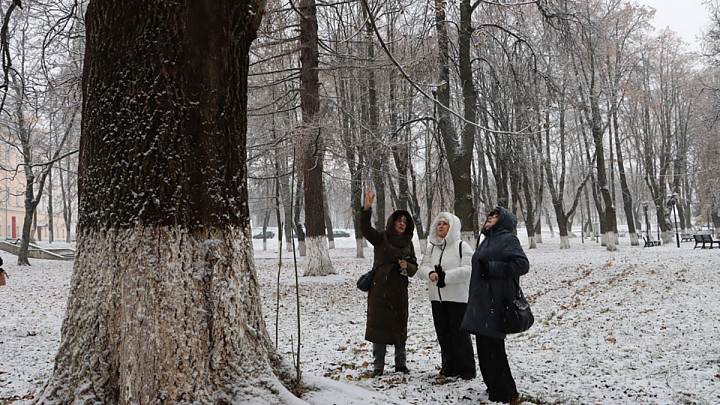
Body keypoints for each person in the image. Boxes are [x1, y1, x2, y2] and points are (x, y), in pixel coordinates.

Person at [461, 207, 529, 404]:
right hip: (481, 301)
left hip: (496, 303)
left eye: (495, 216)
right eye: (490, 215)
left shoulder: (508, 238)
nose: (490, 218)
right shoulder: (486, 240)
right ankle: (493, 388)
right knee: (484, 349)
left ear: (504, 221)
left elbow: (522, 264)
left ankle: (507, 393)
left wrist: (492, 268)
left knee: (494, 350)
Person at [361, 186, 418, 377]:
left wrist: (406, 266)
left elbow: (414, 267)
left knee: (399, 327)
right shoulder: (381, 237)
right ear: (392, 222)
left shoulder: (409, 243)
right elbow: (365, 229)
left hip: (399, 292)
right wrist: (367, 209)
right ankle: (378, 366)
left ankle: (400, 364)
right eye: (398, 220)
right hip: (380, 290)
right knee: (379, 329)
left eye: (404, 221)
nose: (401, 223)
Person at [417, 212, 475, 380]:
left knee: (460, 336)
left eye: (445, 224)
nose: (440, 226)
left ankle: (466, 370)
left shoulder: (462, 246)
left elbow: (469, 270)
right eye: (439, 224)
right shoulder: (432, 247)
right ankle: (448, 368)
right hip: (437, 299)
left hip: (457, 299)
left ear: (453, 227)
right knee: (443, 335)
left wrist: (445, 276)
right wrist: (430, 274)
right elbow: (422, 268)